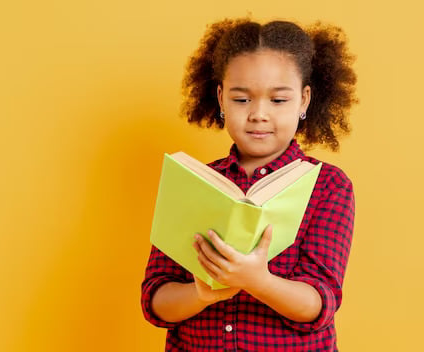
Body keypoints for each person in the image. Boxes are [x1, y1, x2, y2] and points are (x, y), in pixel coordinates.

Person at [141, 18, 357, 351]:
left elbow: (319, 305)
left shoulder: (328, 187)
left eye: (278, 100)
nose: (258, 114)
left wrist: (258, 281)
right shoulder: (192, 181)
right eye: (242, 100)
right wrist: (199, 294)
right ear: (221, 98)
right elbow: (155, 300)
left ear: (303, 100)